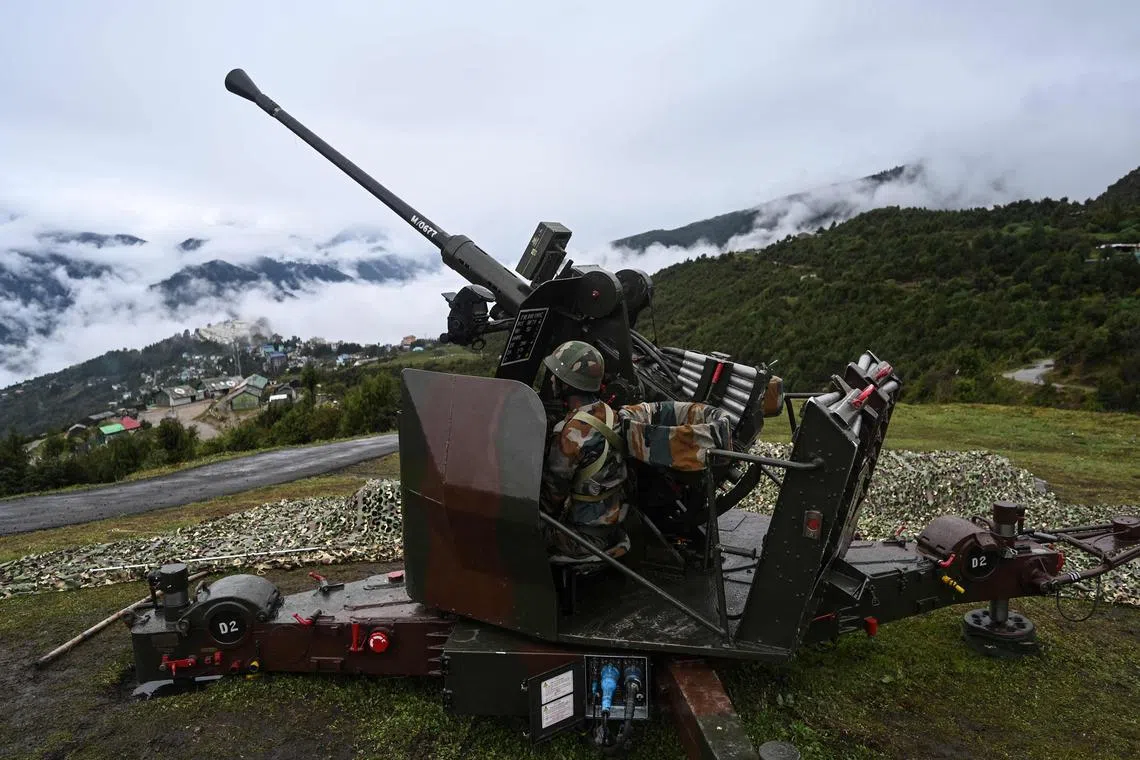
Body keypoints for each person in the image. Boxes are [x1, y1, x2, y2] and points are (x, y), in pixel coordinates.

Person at [539, 340, 630, 562]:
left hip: (583, 538)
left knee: (516, 530)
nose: (551, 379)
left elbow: (551, 500)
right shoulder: (609, 413)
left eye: (555, 375)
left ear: (566, 383)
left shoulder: (569, 434)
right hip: (612, 525)